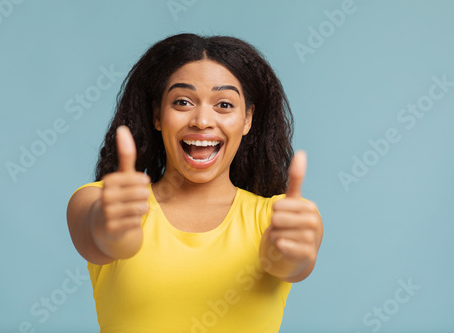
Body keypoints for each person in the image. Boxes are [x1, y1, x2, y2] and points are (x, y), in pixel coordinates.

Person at [66, 33, 323, 333]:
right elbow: (100, 237)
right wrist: (113, 231)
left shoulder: (282, 217)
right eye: (183, 102)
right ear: (157, 115)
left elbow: (290, 263)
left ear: (247, 119)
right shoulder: (99, 202)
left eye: (224, 105)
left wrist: (290, 253)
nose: (202, 120)